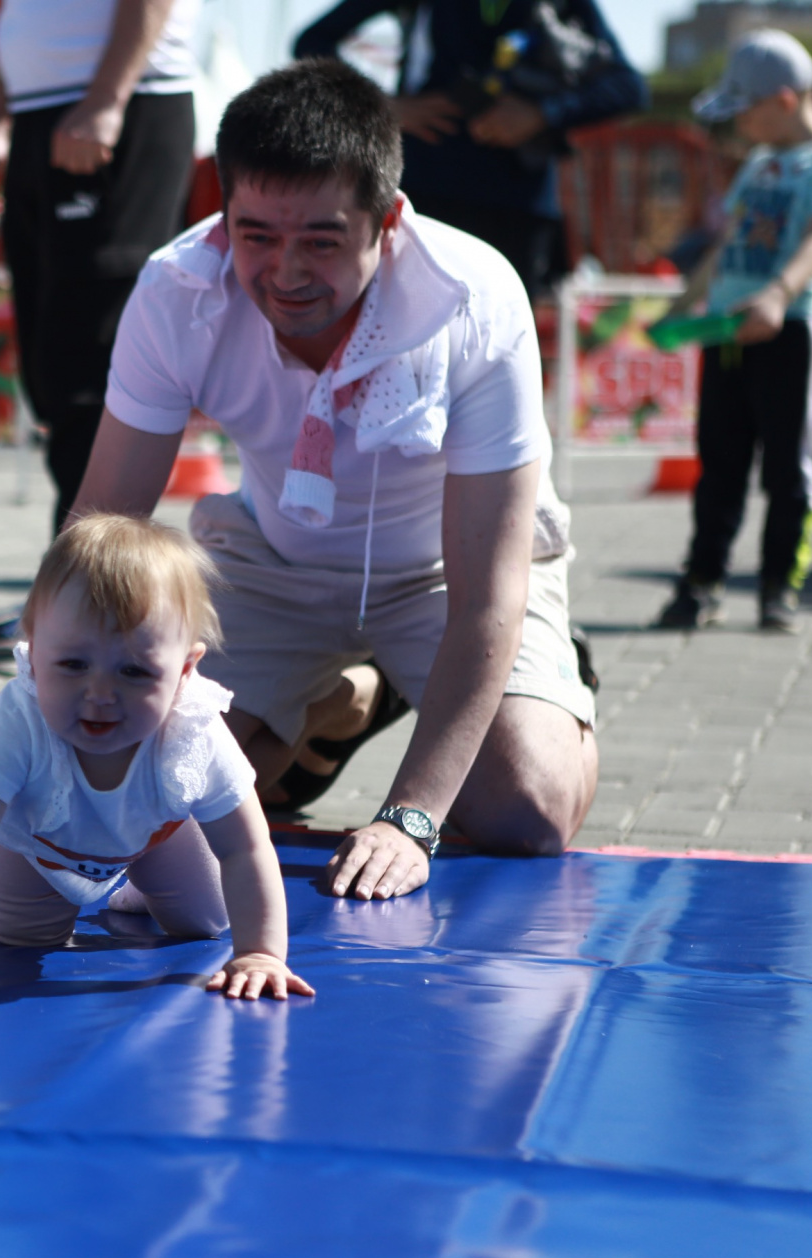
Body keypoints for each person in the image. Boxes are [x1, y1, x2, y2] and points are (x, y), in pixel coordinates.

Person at [71, 60, 599, 901]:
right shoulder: (178, 291)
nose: (285, 273)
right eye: (256, 236)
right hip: (275, 563)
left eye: (321, 239)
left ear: (387, 222)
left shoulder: (476, 298)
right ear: (223, 213)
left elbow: (487, 595)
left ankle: (537, 682)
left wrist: (411, 817)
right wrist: (40, 719)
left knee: (525, 811)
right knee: (156, 800)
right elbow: (100, 529)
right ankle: (344, 701)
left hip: (447, 573)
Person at [0, 515, 314, 1002]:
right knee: (24, 938)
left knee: (205, 923)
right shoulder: (18, 723)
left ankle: (138, 889)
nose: (100, 694)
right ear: (33, 657)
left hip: (156, 837)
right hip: (34, 850)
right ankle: (80, 894)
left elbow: (245, 848)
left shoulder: (193, 731)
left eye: (135, 672)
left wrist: (262, 952)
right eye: (73, 665)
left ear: (184, 671)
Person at [0, 0, 202, 669]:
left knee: (96, 366)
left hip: (118, 106)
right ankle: (74, 594)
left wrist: (106, 98)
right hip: (43, 114)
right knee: (55, 372)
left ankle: (91, 603)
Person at [654, 30, 812, 635]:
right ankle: (701, 583)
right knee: (718, 463)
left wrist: (777, 294)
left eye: (743, 111)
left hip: (788, 331)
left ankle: (778, 589)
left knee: (788, 468)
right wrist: (680, 306)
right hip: (726, 332)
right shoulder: (758, 164)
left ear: (784, 99)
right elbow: (728, 245)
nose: (738, 125)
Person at [293, 0, 644, 297]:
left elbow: (628, 86)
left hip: (519, 205)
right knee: (405, 343)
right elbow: (312, 42)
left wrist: (542, 114)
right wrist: (381, 105)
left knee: (500, 346)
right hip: (426, 194)